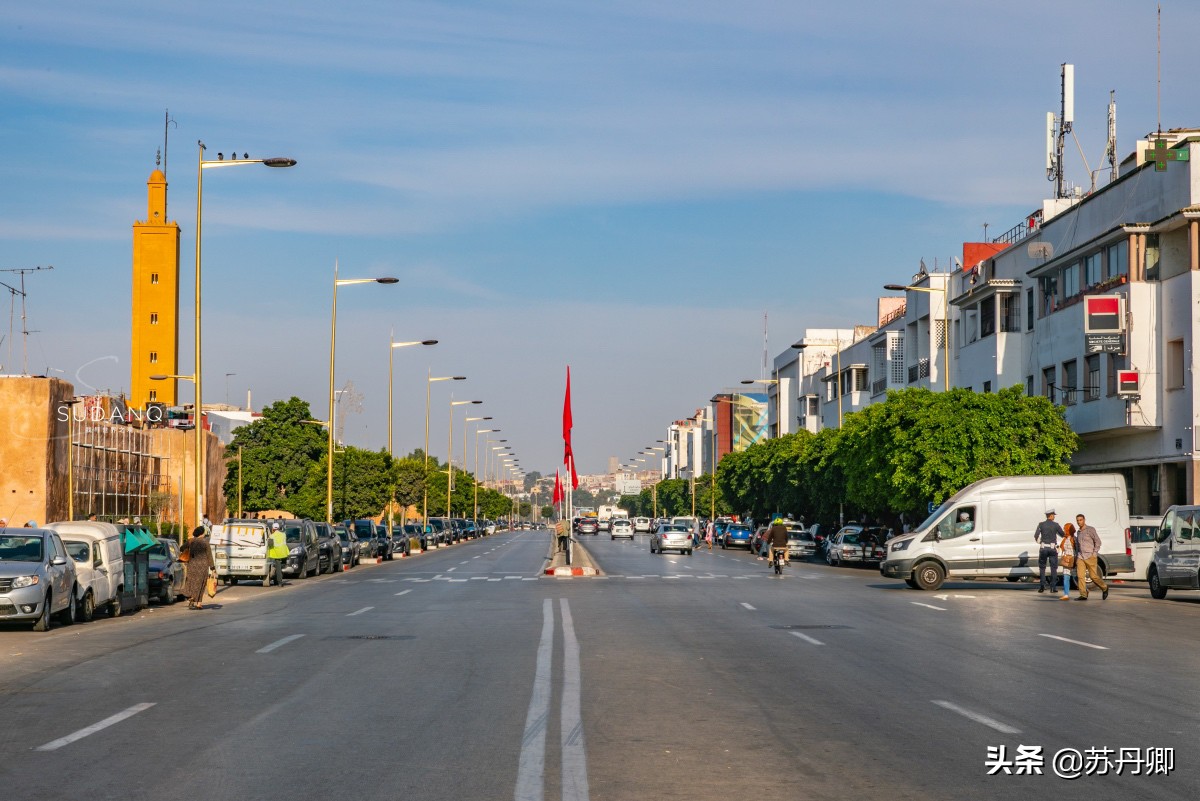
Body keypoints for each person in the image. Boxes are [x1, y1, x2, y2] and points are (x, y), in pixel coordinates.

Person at [1073, 514, 1109, 601]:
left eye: (1080, 520)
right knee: (1080, 576)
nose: (1079, 522)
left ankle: (1104, 587)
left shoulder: (1090, 529)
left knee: (1093, 576)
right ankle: (1083, 594)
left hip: (1090, 556)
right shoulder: (1078, 532)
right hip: (1080, 557)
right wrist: (1077, 555)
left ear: (1084, 520)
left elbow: (1098, 542)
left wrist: (1094, 553)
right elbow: (1078, 545)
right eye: (1077, 520)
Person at [182, 526, 215, 610]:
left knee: (191, 582)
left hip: (192, 565)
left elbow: (181, 548)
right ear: (201, 533)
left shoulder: (190, 541)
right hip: (203, 566)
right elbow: (209, 555)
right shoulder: (205, 542)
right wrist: (212, 568)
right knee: (201, 584)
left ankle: (192, 597)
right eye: (203, 532)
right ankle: (199, 604)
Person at [1034, 509, 1062, 594]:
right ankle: (1053, 588)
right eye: (1053, 515)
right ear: (1051, 516)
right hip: (1052, 549)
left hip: (1043, 548)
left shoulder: (1041, 524)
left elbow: (1036, 535)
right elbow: (1063, 534)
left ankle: (1042, 586)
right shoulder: (1056, 525)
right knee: (1054, 568)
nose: (1054, 516)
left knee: (1042, 568)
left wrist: (1040, 543)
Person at [1058, 522, 1078, 600]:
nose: (1064, 530)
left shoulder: (1074, 538)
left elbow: (1077, 549)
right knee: (1066, 577)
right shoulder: (1065, 538)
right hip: (1066, 560)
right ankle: (1066, 594)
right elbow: (1061, 548)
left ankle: (1085, 590)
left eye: (1065, 528)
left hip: (1073, 559)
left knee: (1076, 576)